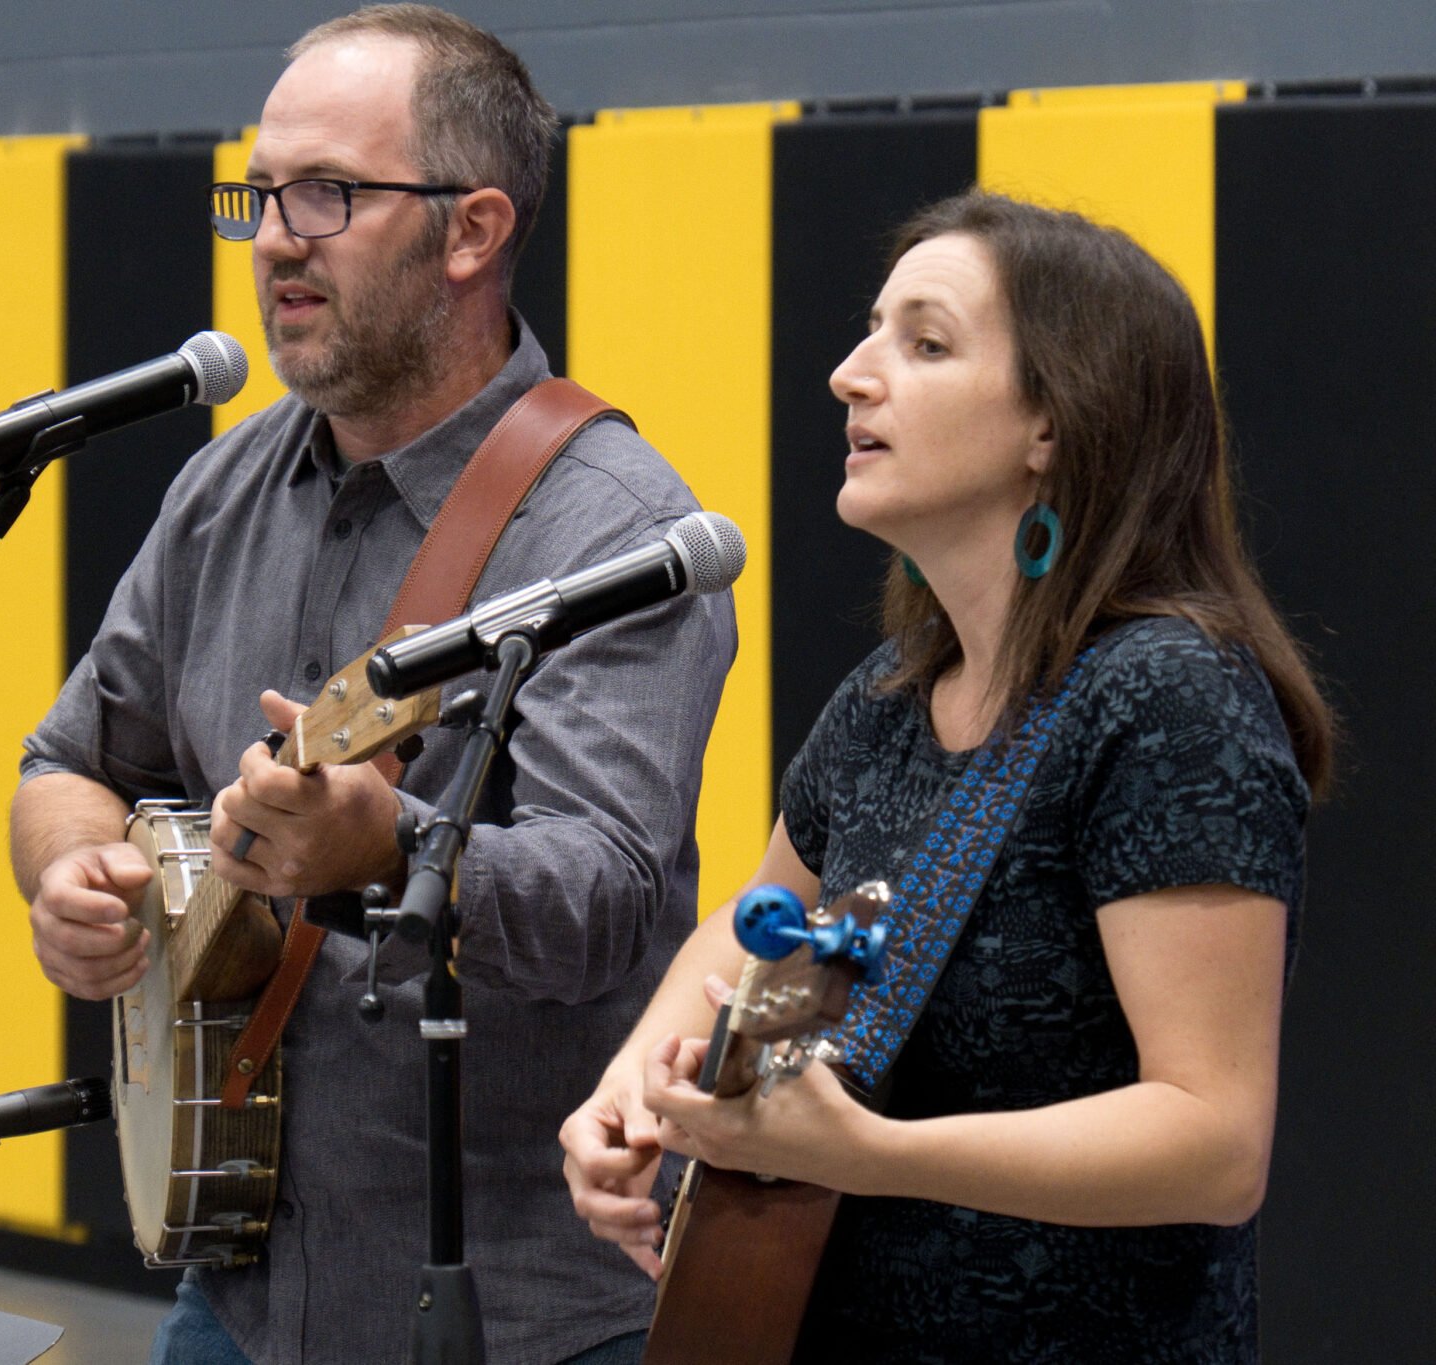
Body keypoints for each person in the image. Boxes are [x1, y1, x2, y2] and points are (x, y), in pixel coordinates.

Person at [13, 8, 733, 1363]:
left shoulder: (612, 531)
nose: (274, 234)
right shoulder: (220, 491)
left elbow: (608, 903)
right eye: (261, 191)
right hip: (237, 1290)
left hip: (507, 1316)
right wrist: (75, 883)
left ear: (471, 232)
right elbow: (68, 761)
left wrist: (390, 847)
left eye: (327, 194)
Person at [560, 190, 1333, 1362]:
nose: (849, 374)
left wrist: (870, 1157)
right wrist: (630, 1085)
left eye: (922, 343)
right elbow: (756, 917)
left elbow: (1212, 1143)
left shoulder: (1170, 701)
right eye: (873, 330)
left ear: (1052, 428)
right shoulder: (888, 697)